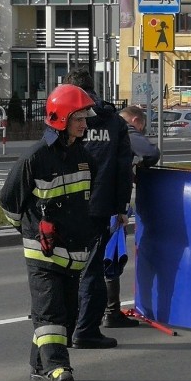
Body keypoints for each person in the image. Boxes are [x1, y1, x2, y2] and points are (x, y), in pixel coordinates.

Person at [0, 84, 98, 381]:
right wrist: (30, 231)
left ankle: (39, 367)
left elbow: (85, 202)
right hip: (42, 252)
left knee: (66, 315)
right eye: (78, 118)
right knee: (50, 312)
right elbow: (9, 201)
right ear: (60, 119)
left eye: (85, 117)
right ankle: (58, 368)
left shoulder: (83, 156)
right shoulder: (36, 158)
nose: (84, 123)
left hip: (73, 254)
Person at [63, 67, 134, 348]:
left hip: (65, 205)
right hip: (101, 206)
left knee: (64, 270)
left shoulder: (65, 119)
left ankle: (65, 330)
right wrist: (121, 208)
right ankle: (87, 330)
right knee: (92, 270)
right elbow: (123, 169)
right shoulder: (114, 122)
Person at [102, 105, 161, 327]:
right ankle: (111, 312)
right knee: (111, 254)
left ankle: (84, 313)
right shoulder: (123, 128)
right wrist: (137, 166)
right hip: (112, 202)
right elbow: (150, 153)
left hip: (85, 199)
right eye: (141, 128)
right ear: (136, 120)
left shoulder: (93, 125)